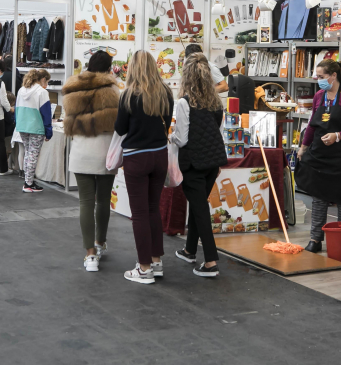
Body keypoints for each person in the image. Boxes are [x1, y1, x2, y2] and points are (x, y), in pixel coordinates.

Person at [114, 50, 174, 284]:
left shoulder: (128, 95)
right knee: (152, 209)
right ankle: (156, 261)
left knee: (138, 213)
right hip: (160, 155)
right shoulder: (166, 93)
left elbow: (120, 128)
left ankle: (144, 268)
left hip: (136, 158)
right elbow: (167, 124)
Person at [171, 53, 227, 277]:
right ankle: (189, 250)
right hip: (212, 163)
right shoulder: (216, 102)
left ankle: (211, 260)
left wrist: (171, 137)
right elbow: (218, 134)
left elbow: (182, 139)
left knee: (200, 209)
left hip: (192, 163)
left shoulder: (184, 103)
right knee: (198, 204)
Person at [64, 51, 119, 272]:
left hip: (80, 151)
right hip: (105, 152)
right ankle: (100, 242)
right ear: (109, 69)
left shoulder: (72, 87)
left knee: (85, 202)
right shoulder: (113, 91)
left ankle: (90, 256)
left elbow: (68, 117)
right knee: (103, 201)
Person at [296, 59, 341, 253]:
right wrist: (303, 147)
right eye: (317, 77)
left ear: (333, 76)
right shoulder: (318, 97)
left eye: (322, 77)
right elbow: (313, 125)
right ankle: (315, 239)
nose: (319, 80)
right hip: (320, 155)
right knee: (319, 196)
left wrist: (337, 136)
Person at [11, 68, 52, 193]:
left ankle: (28, 180)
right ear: (43, 79)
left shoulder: (22, 90)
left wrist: (18, 123)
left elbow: (17, 108)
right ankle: (28, 183)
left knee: (28, 153)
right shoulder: (41, 92)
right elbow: (46, 113)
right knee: (32, 155)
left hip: (23, 126)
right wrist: (48, 130)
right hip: (36, 126)